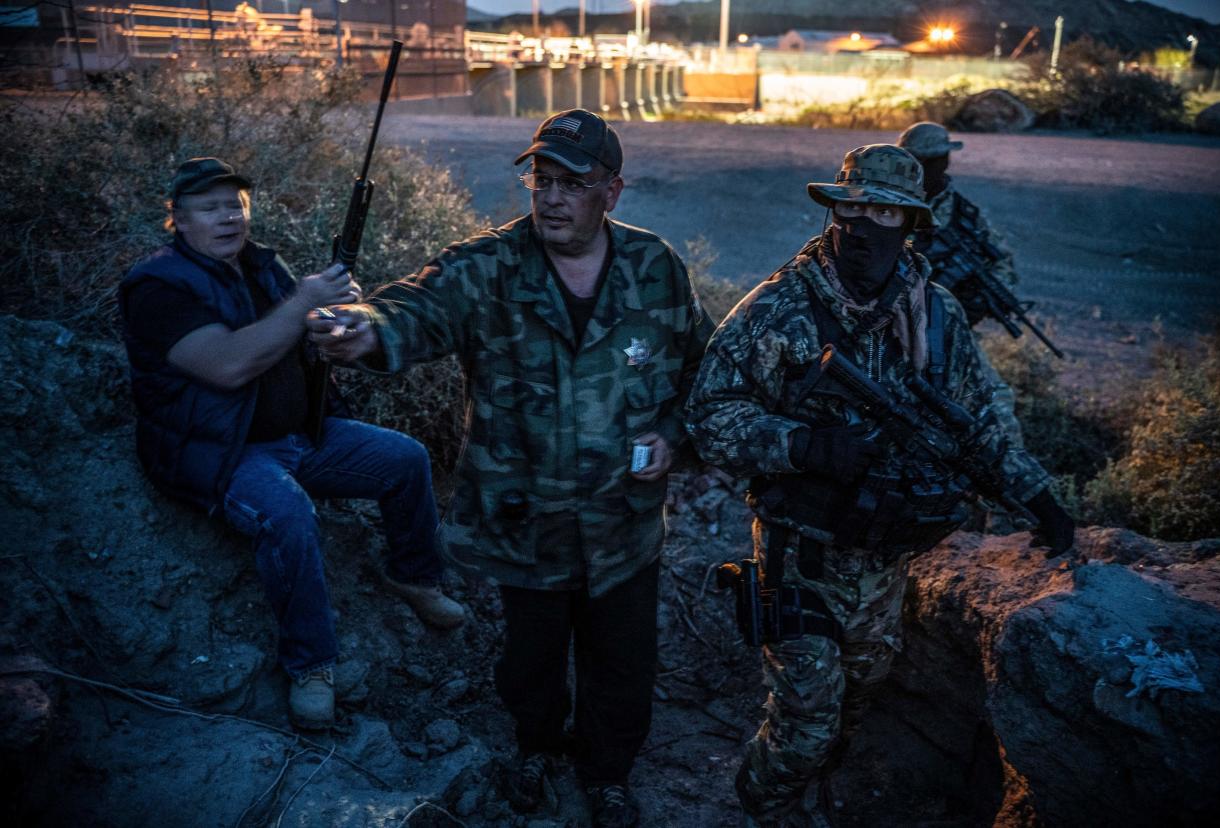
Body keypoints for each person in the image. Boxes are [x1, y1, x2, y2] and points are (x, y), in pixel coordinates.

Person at [307, 110, 714, 828]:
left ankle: (607, 772)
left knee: (621, 662)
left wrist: (672, 438)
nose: (551, 197)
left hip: (625, 522)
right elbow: (414, 306)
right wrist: (362, 329)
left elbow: (700, 372)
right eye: (540, 180)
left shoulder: (655, 268)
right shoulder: (486, 267)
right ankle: (535, 747)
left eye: (572, 184)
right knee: (530, 656)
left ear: (611, 192)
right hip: (525, 521)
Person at [684, 145, 1075, 827]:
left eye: (883, 211)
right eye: (851, 208)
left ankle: (802, 801)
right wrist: (799, 444)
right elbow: (708, 418)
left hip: (884, 560)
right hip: (800, 551)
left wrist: (1036, 497)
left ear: (909, 224)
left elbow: (979, 418)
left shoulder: (935, 313)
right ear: (833, 212)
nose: (862, 225)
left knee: (855, 702)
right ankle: (759, 807)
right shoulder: (780, 309)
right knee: (803, 724)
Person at [118, 157, 464, 730]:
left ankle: (413, 575)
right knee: (287, 512)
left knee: (405, 458)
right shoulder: (157, 287)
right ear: (177, 218)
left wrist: (334, 321)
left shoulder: (260, 265)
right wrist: (302, 303)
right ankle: (311, 665)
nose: (229, 217)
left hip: (300, 436)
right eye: (210, 207)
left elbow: (298, 331)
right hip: (221, 453)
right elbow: (229, 366)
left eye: (236, 204)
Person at [897, 121, 1026, 444]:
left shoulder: (966, 215)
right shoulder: (888, 204)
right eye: (922, 162)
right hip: (891, 325)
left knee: (994, 408)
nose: (931, 169)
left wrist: (976, 302)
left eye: (935, 161)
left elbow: (1002, 265)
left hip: (948, 328)